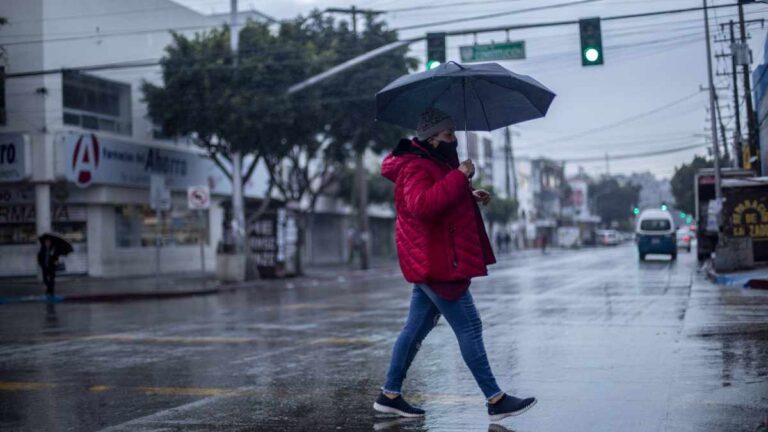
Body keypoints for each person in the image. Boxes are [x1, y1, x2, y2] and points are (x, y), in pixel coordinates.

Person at [375, 108, 536, 422]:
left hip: (433, 258)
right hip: (435, 261)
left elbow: (438, 197)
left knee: (415, 328)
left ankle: (389, 395)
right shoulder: (417, 166)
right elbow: (421, 206)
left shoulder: (432, 162)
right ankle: (495, 399)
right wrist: (459, 176)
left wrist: (468, 193)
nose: (454, 140)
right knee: (469, 326)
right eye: (449, 135)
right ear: (433, 139)